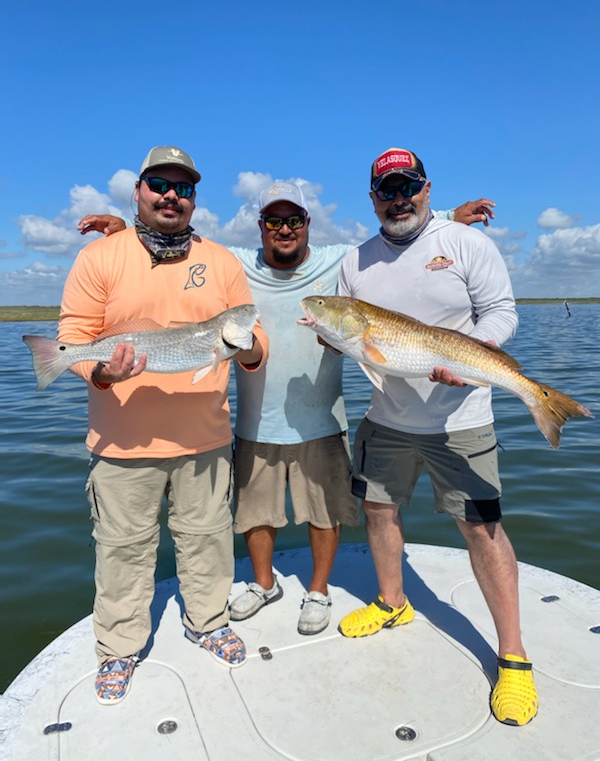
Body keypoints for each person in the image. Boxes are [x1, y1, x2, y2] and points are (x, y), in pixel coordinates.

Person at [78, 188, 496, 637]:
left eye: (294, 220)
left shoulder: (339, 260)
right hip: (256, 421)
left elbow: (392, 230)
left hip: (323, 419)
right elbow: (182, 242)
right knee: (255, 514)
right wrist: (127, 232)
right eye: (274, 221)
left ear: (308, 223)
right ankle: (264, 584)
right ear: (260, 226)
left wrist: (448, 216)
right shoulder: (235, 262)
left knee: (325, 512)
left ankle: (318, 590)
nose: (284, 229)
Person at [335, 147, 538, 727]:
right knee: (378, 509)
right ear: (372, 198)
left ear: (426, 189)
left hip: (462, 417)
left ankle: (514, 655)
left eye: (409, 186)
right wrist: (331, 333)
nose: (398, 198)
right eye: (387, 190)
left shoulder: (467, 243)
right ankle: (392, 602)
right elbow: (355, 338)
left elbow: (501, 311)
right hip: (386, 418)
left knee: (481, 527)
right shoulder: (355, 262)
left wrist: (474, 354)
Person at [61, 146, 267, 705]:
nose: (172, 196)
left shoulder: (222, 262)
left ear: (195, 199)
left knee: (208, 540)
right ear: (139, 191)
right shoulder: (100, 257)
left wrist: (249, 348)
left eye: (184, 188)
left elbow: (253, 340)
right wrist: (100, 371)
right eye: (160, 185)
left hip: (206, 439)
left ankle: (209, 621)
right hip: (121, 443)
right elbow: (73, 336)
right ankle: (119, 647)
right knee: (121, 548)